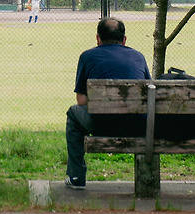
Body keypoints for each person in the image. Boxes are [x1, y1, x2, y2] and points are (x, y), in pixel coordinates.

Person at [64, 16, 150, 190]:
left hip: (102, 124)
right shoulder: (138, 57)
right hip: (138, 125)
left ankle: (76, 176)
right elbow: (148, 96)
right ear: (124, 39)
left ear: (98, 38)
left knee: (73, 113)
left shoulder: (87, 57)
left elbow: (81, 101)